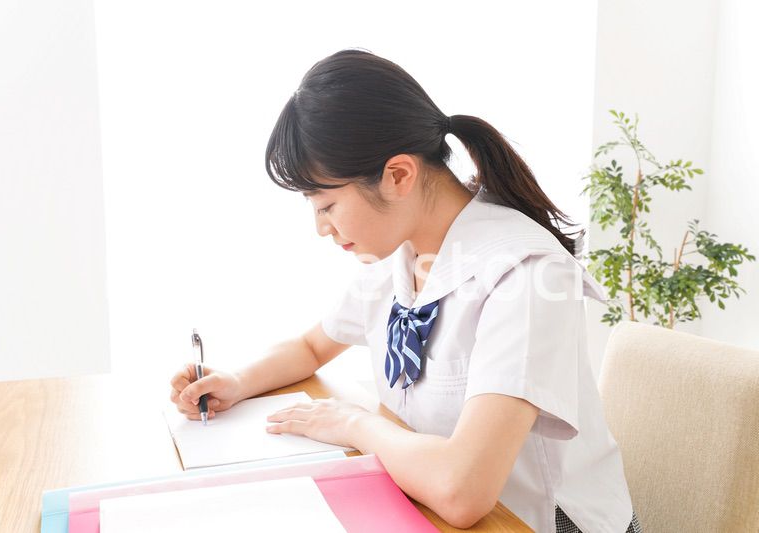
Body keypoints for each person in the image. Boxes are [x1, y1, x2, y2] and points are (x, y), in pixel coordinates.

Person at [169, 48, 642, 532]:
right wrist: (236, 382)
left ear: (398, 175)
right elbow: (311, 347)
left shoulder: (526, 276)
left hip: (535, 520)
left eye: (327, 205)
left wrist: (353, 423)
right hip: (424, 504)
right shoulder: (402, 251)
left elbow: (463, 490)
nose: (321, 228)